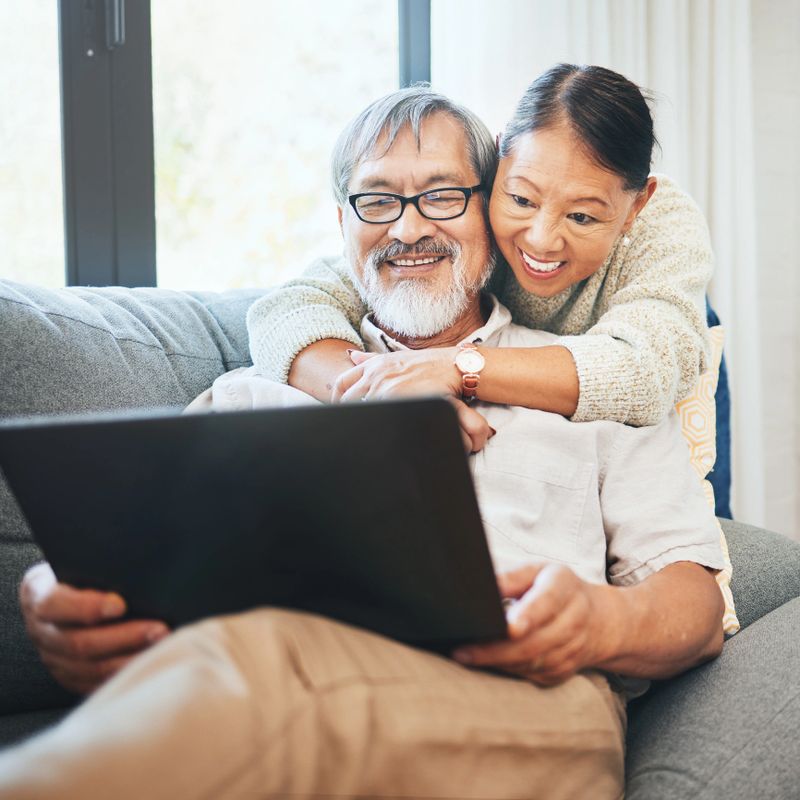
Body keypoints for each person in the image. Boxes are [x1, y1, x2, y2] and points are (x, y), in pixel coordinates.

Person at [2, 88, 726, 800]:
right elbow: (126, 555)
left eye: (443, 195)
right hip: (240, 690)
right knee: (242, 669)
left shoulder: (588, 387)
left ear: (488, 208)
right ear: (341, 225)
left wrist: (600, 623)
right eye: (377, 201)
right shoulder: (255, 389)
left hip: (512, 696)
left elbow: (693, 603)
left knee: (252, 669)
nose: (408, 229)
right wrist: (60, 599)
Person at [247, 64, 713, 432]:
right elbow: (289, 308)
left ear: (636, 205)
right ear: (497, 165)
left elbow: (651, 371)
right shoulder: (461, 210)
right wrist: (383, 400)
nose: (540, 239)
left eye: (582, 216)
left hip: (662, 353)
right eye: (522, 200)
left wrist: (457, 366)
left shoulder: (661, 223)